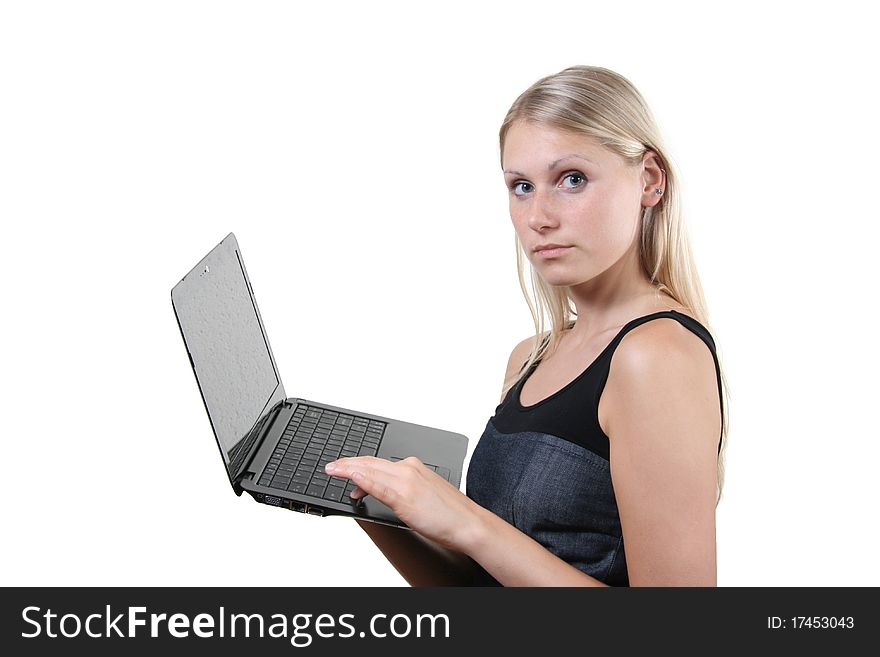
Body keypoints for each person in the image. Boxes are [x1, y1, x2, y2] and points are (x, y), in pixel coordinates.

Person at [324, 65, 729, 586]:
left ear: (649, 180)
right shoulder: (532, 357)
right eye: (521, 186)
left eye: (572, 179)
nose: (539, 216)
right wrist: (381, 507)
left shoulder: (657, 355)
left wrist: (468, 522)